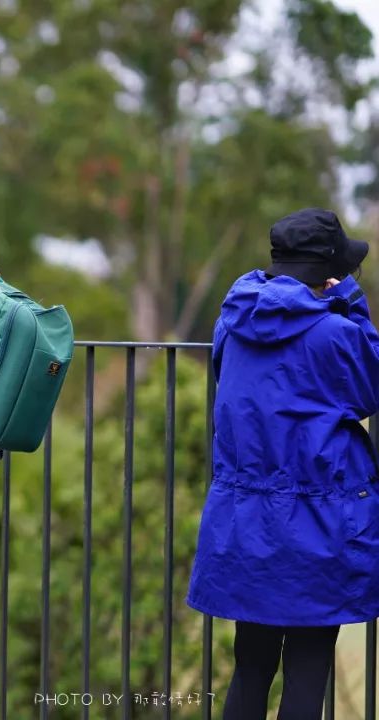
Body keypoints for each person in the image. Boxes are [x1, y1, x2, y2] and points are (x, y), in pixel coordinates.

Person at [187, 208, 379, 720]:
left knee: (250, 664)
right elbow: (369, 389)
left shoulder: (234, 317)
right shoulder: (336, 334)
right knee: (309, 663)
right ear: (327, 271)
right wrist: (352, 305)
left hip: (245, 517)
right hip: (317, 521)